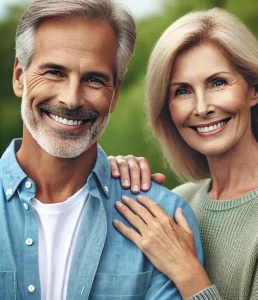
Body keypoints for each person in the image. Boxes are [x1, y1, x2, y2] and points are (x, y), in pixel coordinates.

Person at [0, 0, 206, 299]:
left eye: (94, 79)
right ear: (20, 76)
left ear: (115, 94)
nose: (71, 100)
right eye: (55, 72)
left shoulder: (166, 218)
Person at [108, 8, 258, 300]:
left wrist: (187, 272)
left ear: (255, 90)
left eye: (218, 83)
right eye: (182, 91)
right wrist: (109, 181)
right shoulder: (178, 201)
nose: (201, 107)